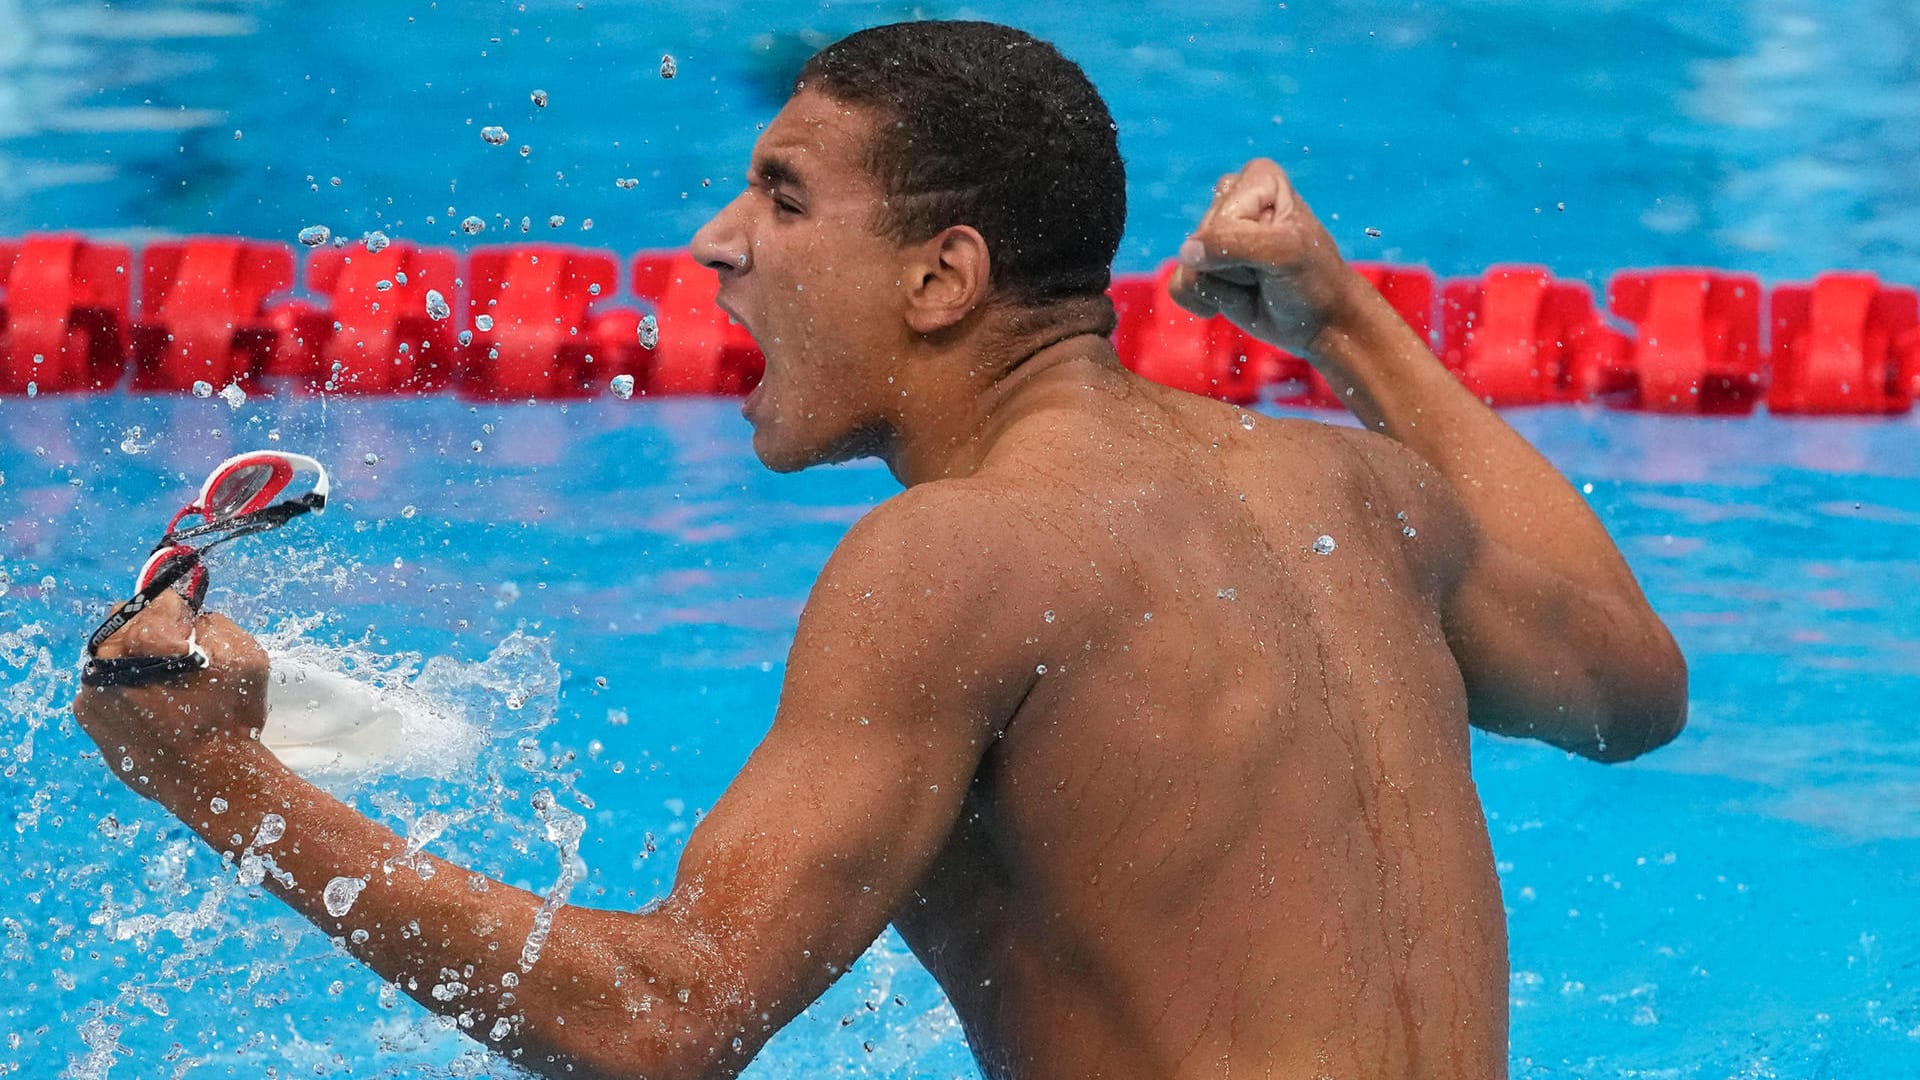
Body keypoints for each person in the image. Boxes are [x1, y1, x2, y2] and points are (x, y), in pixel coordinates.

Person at [73, 19, 1687, 1080]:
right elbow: (1630, 687)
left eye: (782, 198)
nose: (717, 243)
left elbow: (665, 1021)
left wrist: (217, 780)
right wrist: (1351, 327)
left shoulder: (954, 561)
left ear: (943, 279)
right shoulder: (1354, 493)